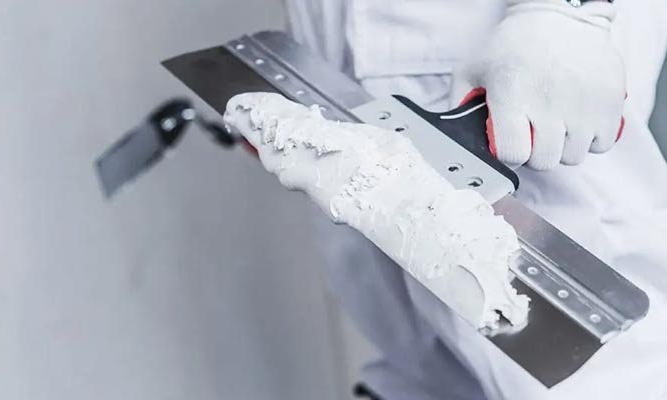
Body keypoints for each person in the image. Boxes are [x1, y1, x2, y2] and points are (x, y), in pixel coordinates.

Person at [285, 0, 667, 399]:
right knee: (421, 351)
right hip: (351, 42)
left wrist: (568, 11)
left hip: (524, 47)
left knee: (589, 366)